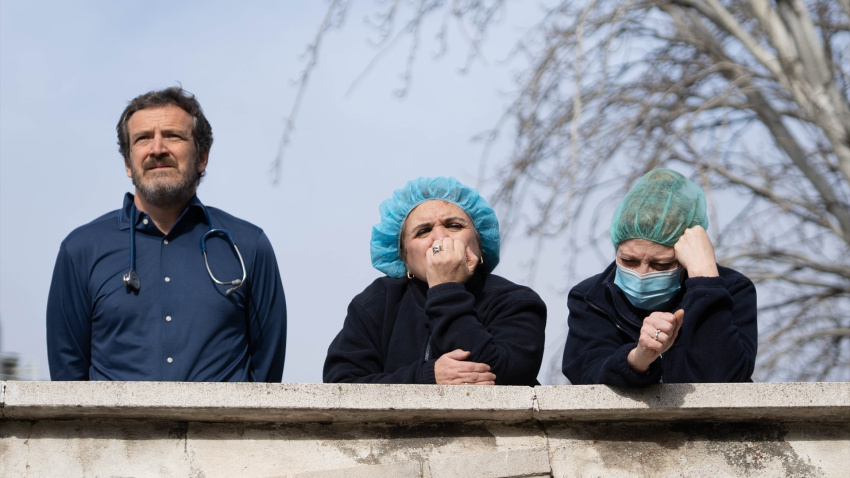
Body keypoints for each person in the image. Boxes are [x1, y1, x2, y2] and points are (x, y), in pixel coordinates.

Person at [47, 87, 286, 381]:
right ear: (127, 162)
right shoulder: (80, 251)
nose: (157, 149)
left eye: (173, 136)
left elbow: (267, 377)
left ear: (202, 156)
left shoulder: (249, 247)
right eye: (143, 138)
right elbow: (68, 381)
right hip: (116, 429)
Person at [324, 177, 546, 385]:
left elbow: (505, 376)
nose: (440, 239)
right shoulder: (375, 304)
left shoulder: (515, 301)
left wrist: (445, 288)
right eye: (423, 231)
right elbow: (341, 385)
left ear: (480, 245)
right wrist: (427, 378)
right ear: (404, 259)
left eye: (454, 226)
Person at [562, 168, 757, 386]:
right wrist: (638, 358)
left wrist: (706, 283)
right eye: (629, 261)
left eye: (660, 264)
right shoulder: (592, 297)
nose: (642, 274)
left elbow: (726, 379)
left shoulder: (733, 289)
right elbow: (586, 376)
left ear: (685, 254)